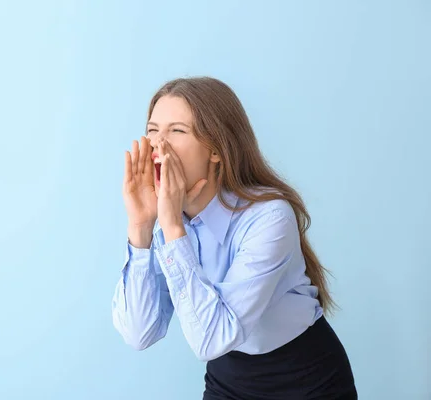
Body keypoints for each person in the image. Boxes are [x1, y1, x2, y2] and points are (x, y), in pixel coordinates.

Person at [111, 77, 357, 399]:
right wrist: (141, 227)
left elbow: (211, 339)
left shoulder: (270, 217)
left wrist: (171, 228)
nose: (158, 145)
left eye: (177, 131)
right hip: (229, 379)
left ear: (215, 149)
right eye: (153, 129)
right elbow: (140, 333)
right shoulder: (173, 222)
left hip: (306, 379)